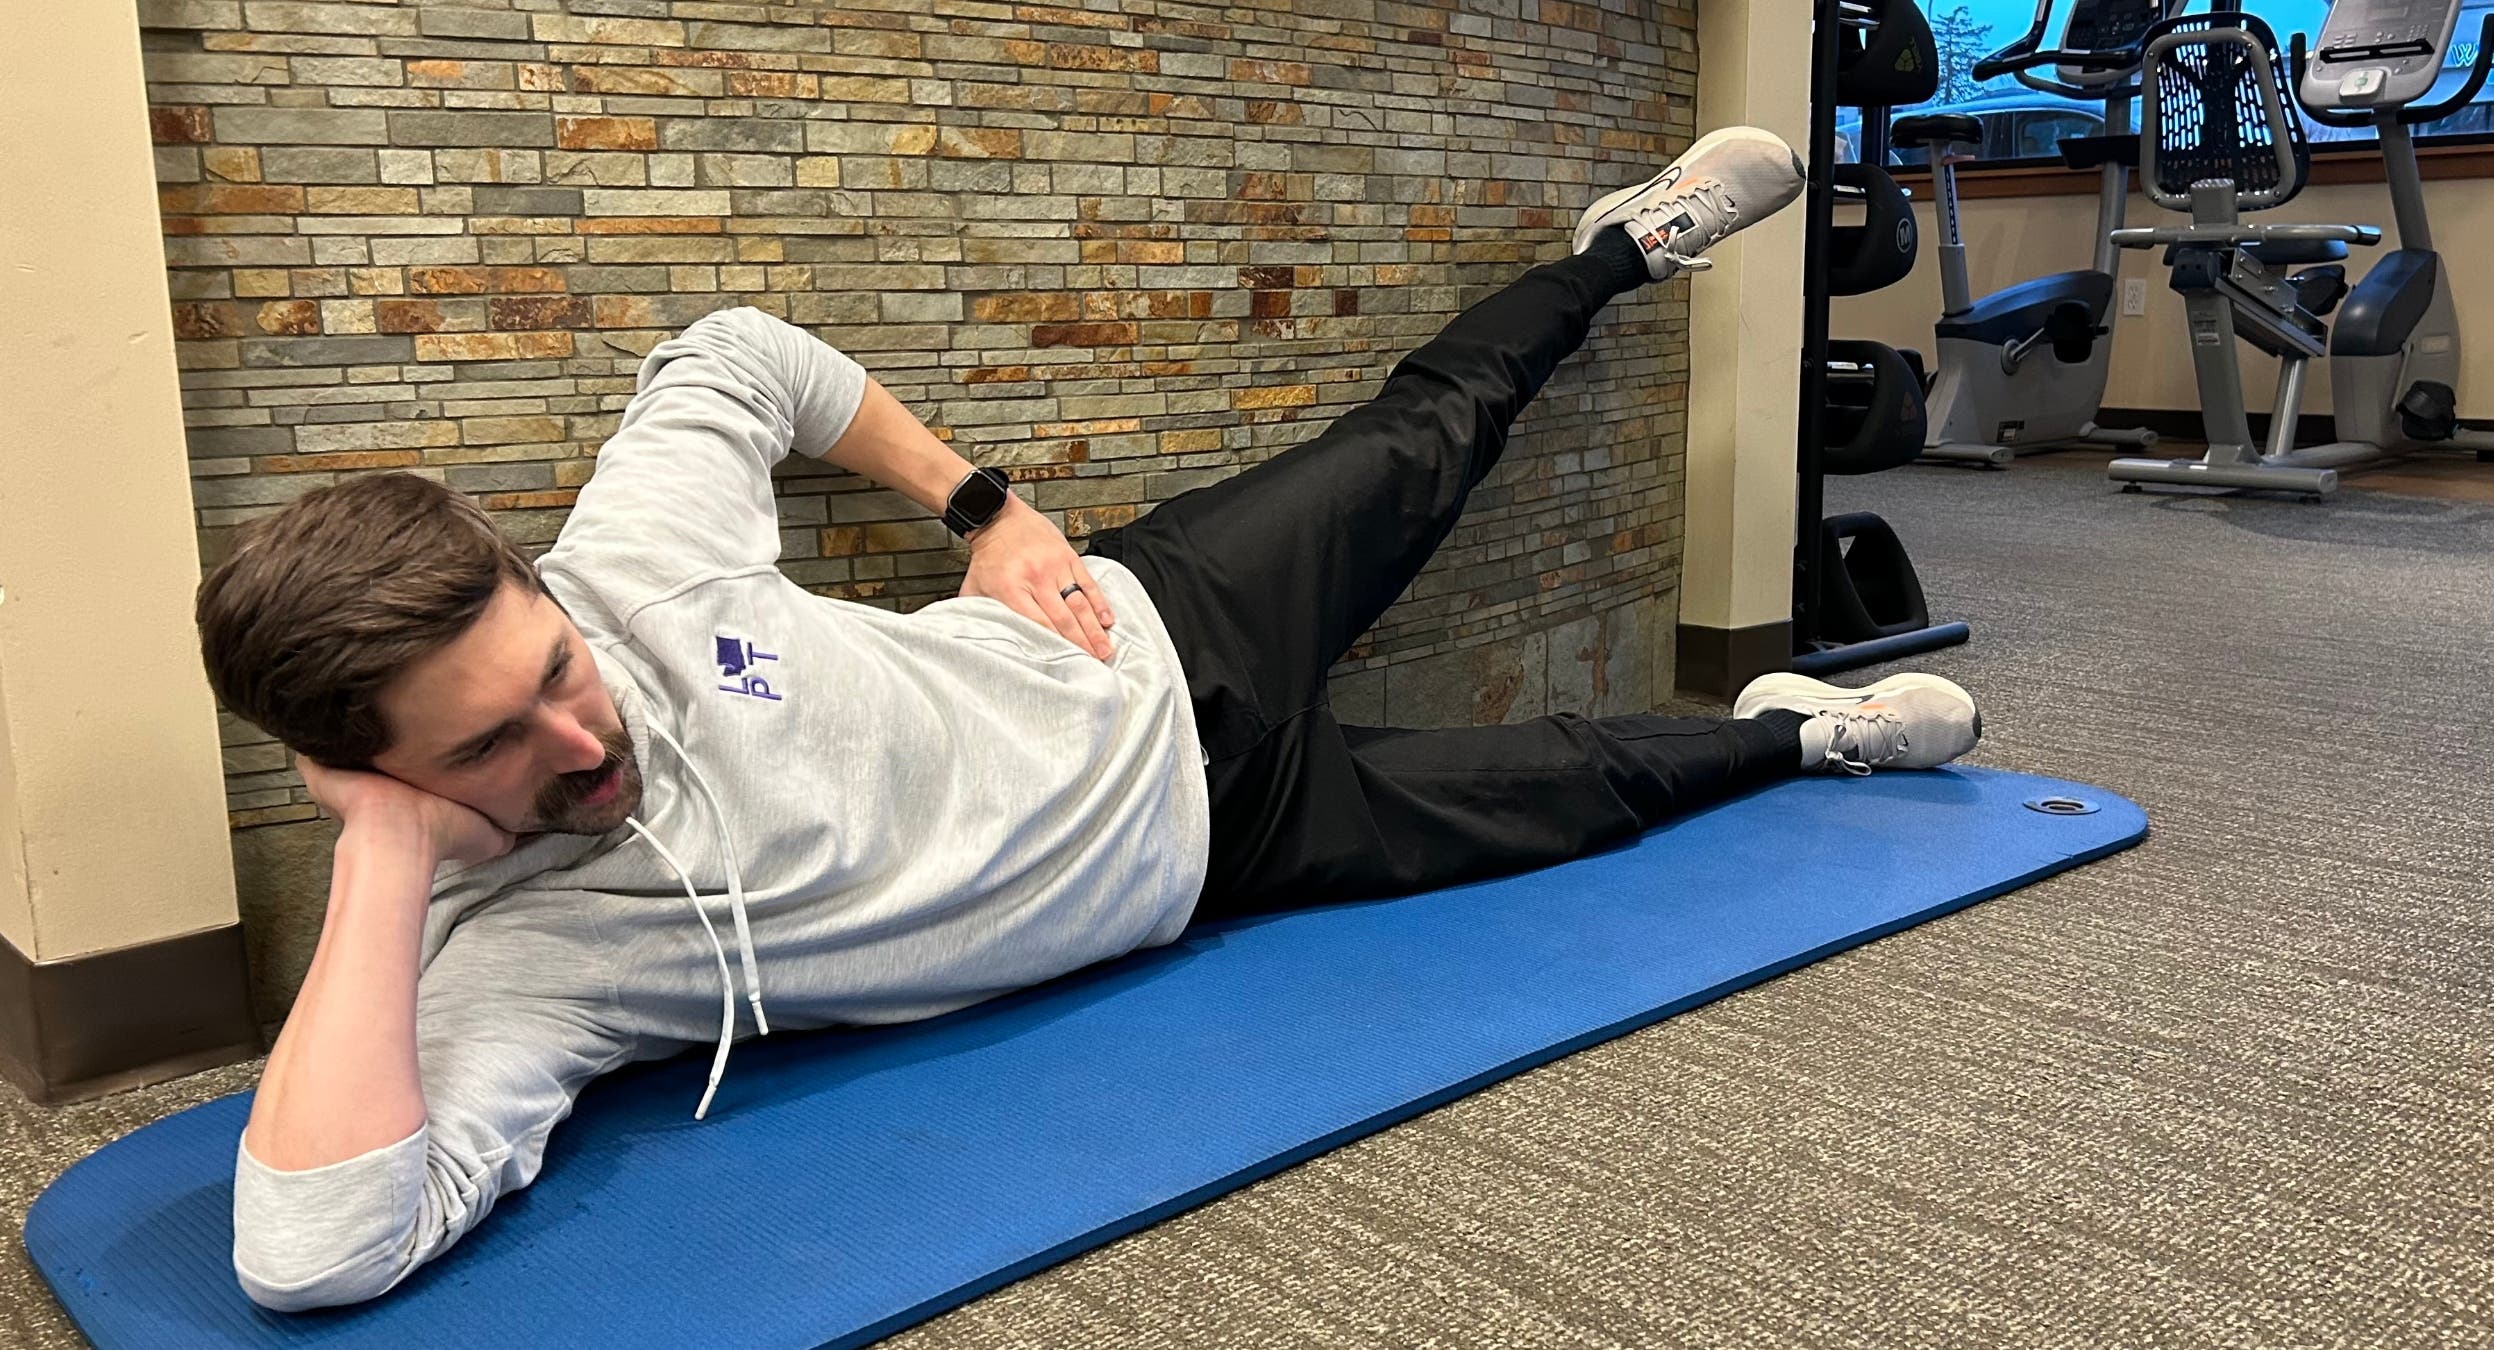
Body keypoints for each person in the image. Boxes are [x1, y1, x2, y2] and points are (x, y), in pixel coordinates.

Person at [193, 125, 1979, 1312]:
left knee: (1429, 433)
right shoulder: (523, 959)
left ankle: (1621, 250)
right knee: (1576, 788)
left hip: (1138, 625)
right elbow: (311, 1248)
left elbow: (736, 351)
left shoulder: (631, 563)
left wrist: (981, 507)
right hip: (1216, 850)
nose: (575, 743)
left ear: (538, 586)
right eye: (483, 752)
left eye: (551, 672)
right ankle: (1800, 729)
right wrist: (384, 855)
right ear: (372, 775)